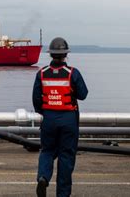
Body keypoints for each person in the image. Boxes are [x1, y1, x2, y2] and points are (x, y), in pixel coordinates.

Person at [32, 37, 88, 197]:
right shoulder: (73, 73)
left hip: (49, 118)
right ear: (65, 55)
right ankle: (62, 195)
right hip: (69, 119)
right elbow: (83, 95)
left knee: (47, 151)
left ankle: (43, 177)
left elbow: (36, 99)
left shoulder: (41, 73)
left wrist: (45, 113)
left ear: (50, 54)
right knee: (66, 156)